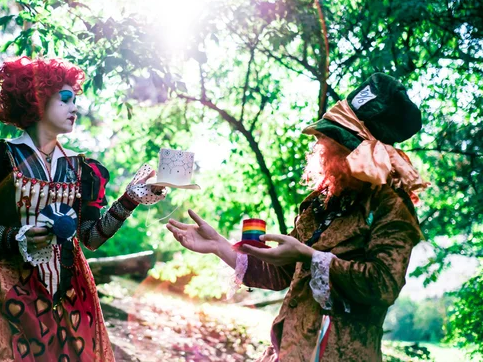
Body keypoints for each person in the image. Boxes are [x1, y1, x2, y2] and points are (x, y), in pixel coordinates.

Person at [167, 73, 429, 361]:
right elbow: (281, 273)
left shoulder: (391, 206)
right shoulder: (323, 202)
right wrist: (219, 245)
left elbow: (383, 285)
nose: (322, 149)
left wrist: (309, 256)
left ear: (364, 153)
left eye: (335, 145)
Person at [0, 57, 166, 361]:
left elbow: (91, 238)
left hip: (67, 295)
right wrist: (16, 237)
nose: (75, 108)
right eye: (65, 99)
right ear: (38, 100)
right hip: (1, 286)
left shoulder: (85, 170)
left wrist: (130, 199)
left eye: (75, 100)